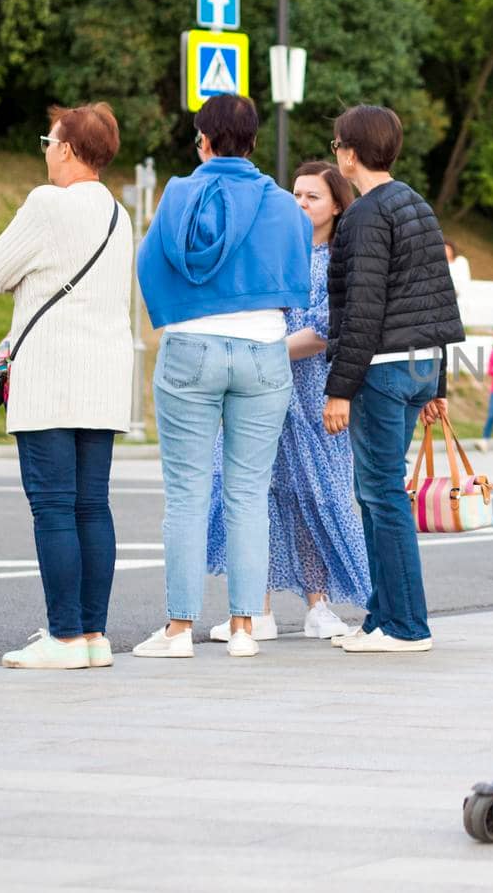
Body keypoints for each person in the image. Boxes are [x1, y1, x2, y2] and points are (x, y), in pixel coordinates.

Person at [133, 94, 312, 659]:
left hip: (191, 347)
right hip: (264, 351)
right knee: (248, 494)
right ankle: (242, 628)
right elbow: (298, 271)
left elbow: (149, 261)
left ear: (203, 141)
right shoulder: (284, 204)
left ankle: (179, 630)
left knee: (187, 492)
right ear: (254, 142)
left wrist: (177, 311)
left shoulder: (181, 193)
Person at [0, 103, 133, 670]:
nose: (45, 149)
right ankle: (93, 635)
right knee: (92, 506)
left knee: (53, 508)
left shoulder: (47, 204)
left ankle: (62, 637)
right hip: (105, 375)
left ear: (66, 149)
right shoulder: (120, 213)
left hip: (52, 377)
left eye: (49, 140)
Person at [204, 162, 371, 645]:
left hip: (316, 390)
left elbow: (326, 327)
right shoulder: (275, 248)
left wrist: (264, 351)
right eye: (295, 194)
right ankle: (256, 608)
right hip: (259, 390)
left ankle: (320, 604)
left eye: (312, 196)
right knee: (255, 494)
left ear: (336, 204)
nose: (300, 203)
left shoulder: (341, 258)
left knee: (316, 495)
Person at [323, 104, 466, 654]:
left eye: (338, 145)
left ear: (351, 152)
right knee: (379, 492)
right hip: (419, 365)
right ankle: (382, 618)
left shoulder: (363, 216)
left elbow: (362, 309)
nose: (337, 153)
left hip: (380, 369)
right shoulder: (417, 205)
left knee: (381, 495)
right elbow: (438, 298)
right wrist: (439, 385)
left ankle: (407, 626)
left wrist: (339, 388)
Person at [445, 241, 471, 306]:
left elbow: (465, 279)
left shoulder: (461, 261)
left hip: (460, 294)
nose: (445, 251)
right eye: (443, 249)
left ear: (452, 249)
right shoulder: (441, 265)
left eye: (447, 248)